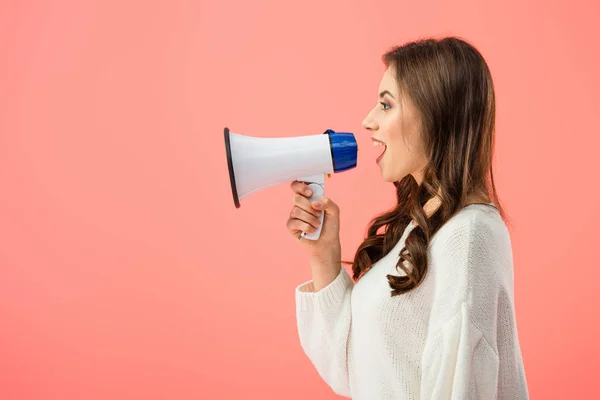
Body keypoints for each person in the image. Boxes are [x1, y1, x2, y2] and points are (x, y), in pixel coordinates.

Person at [286, 36, 529, 399]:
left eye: (386, 105)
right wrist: (324, 255)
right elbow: (356, 370)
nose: (368, 121)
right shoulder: (423, 228)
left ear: (436, 114)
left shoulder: (469, 235)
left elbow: (463, 387)